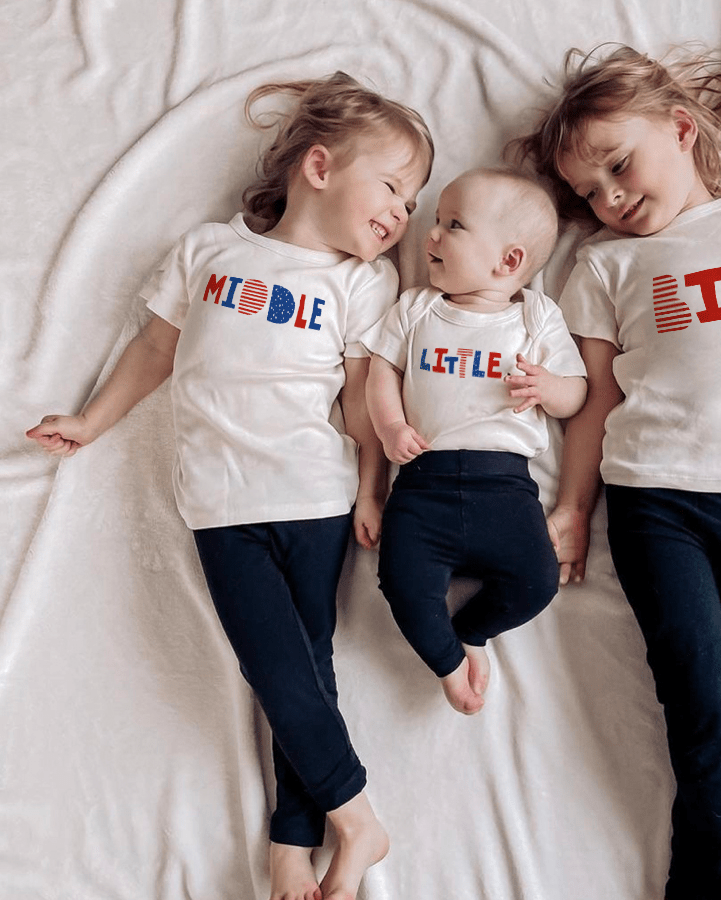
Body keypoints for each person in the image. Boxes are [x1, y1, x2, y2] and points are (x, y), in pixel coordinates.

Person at [26, 72, 433, 900]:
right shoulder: (210, 251)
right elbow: (154, 350)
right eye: (393, 186)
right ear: (319, 166)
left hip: (313, 498)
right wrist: (92, 421)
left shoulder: (363, 282)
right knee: (275, 666)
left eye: (413, 200)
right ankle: (354, 817)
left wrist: (371, 489)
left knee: (302, 668)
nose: (403, 213)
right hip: (219, 504)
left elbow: (362, 400)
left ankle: (293, 844)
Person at [518, 45, 721, 900]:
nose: (610, 199)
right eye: (590, 192)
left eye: (618, 167)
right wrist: (573, 507)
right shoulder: (605, 264)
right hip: (656, 499)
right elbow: (594, 401)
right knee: (706, 701)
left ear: (681, 128)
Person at [362, 167, 587, 715]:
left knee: (538, 582)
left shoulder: (536, 315)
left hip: (505, 488)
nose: (431, 234)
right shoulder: (416, 307)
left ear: (509, 261)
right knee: (401, 581)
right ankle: (447, 664)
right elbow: (381, 371)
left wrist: (549, 388)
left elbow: (577, 393)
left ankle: (471, 630)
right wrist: (391, 428)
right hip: (423, 482)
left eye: (453, 224)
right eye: (436, 220)